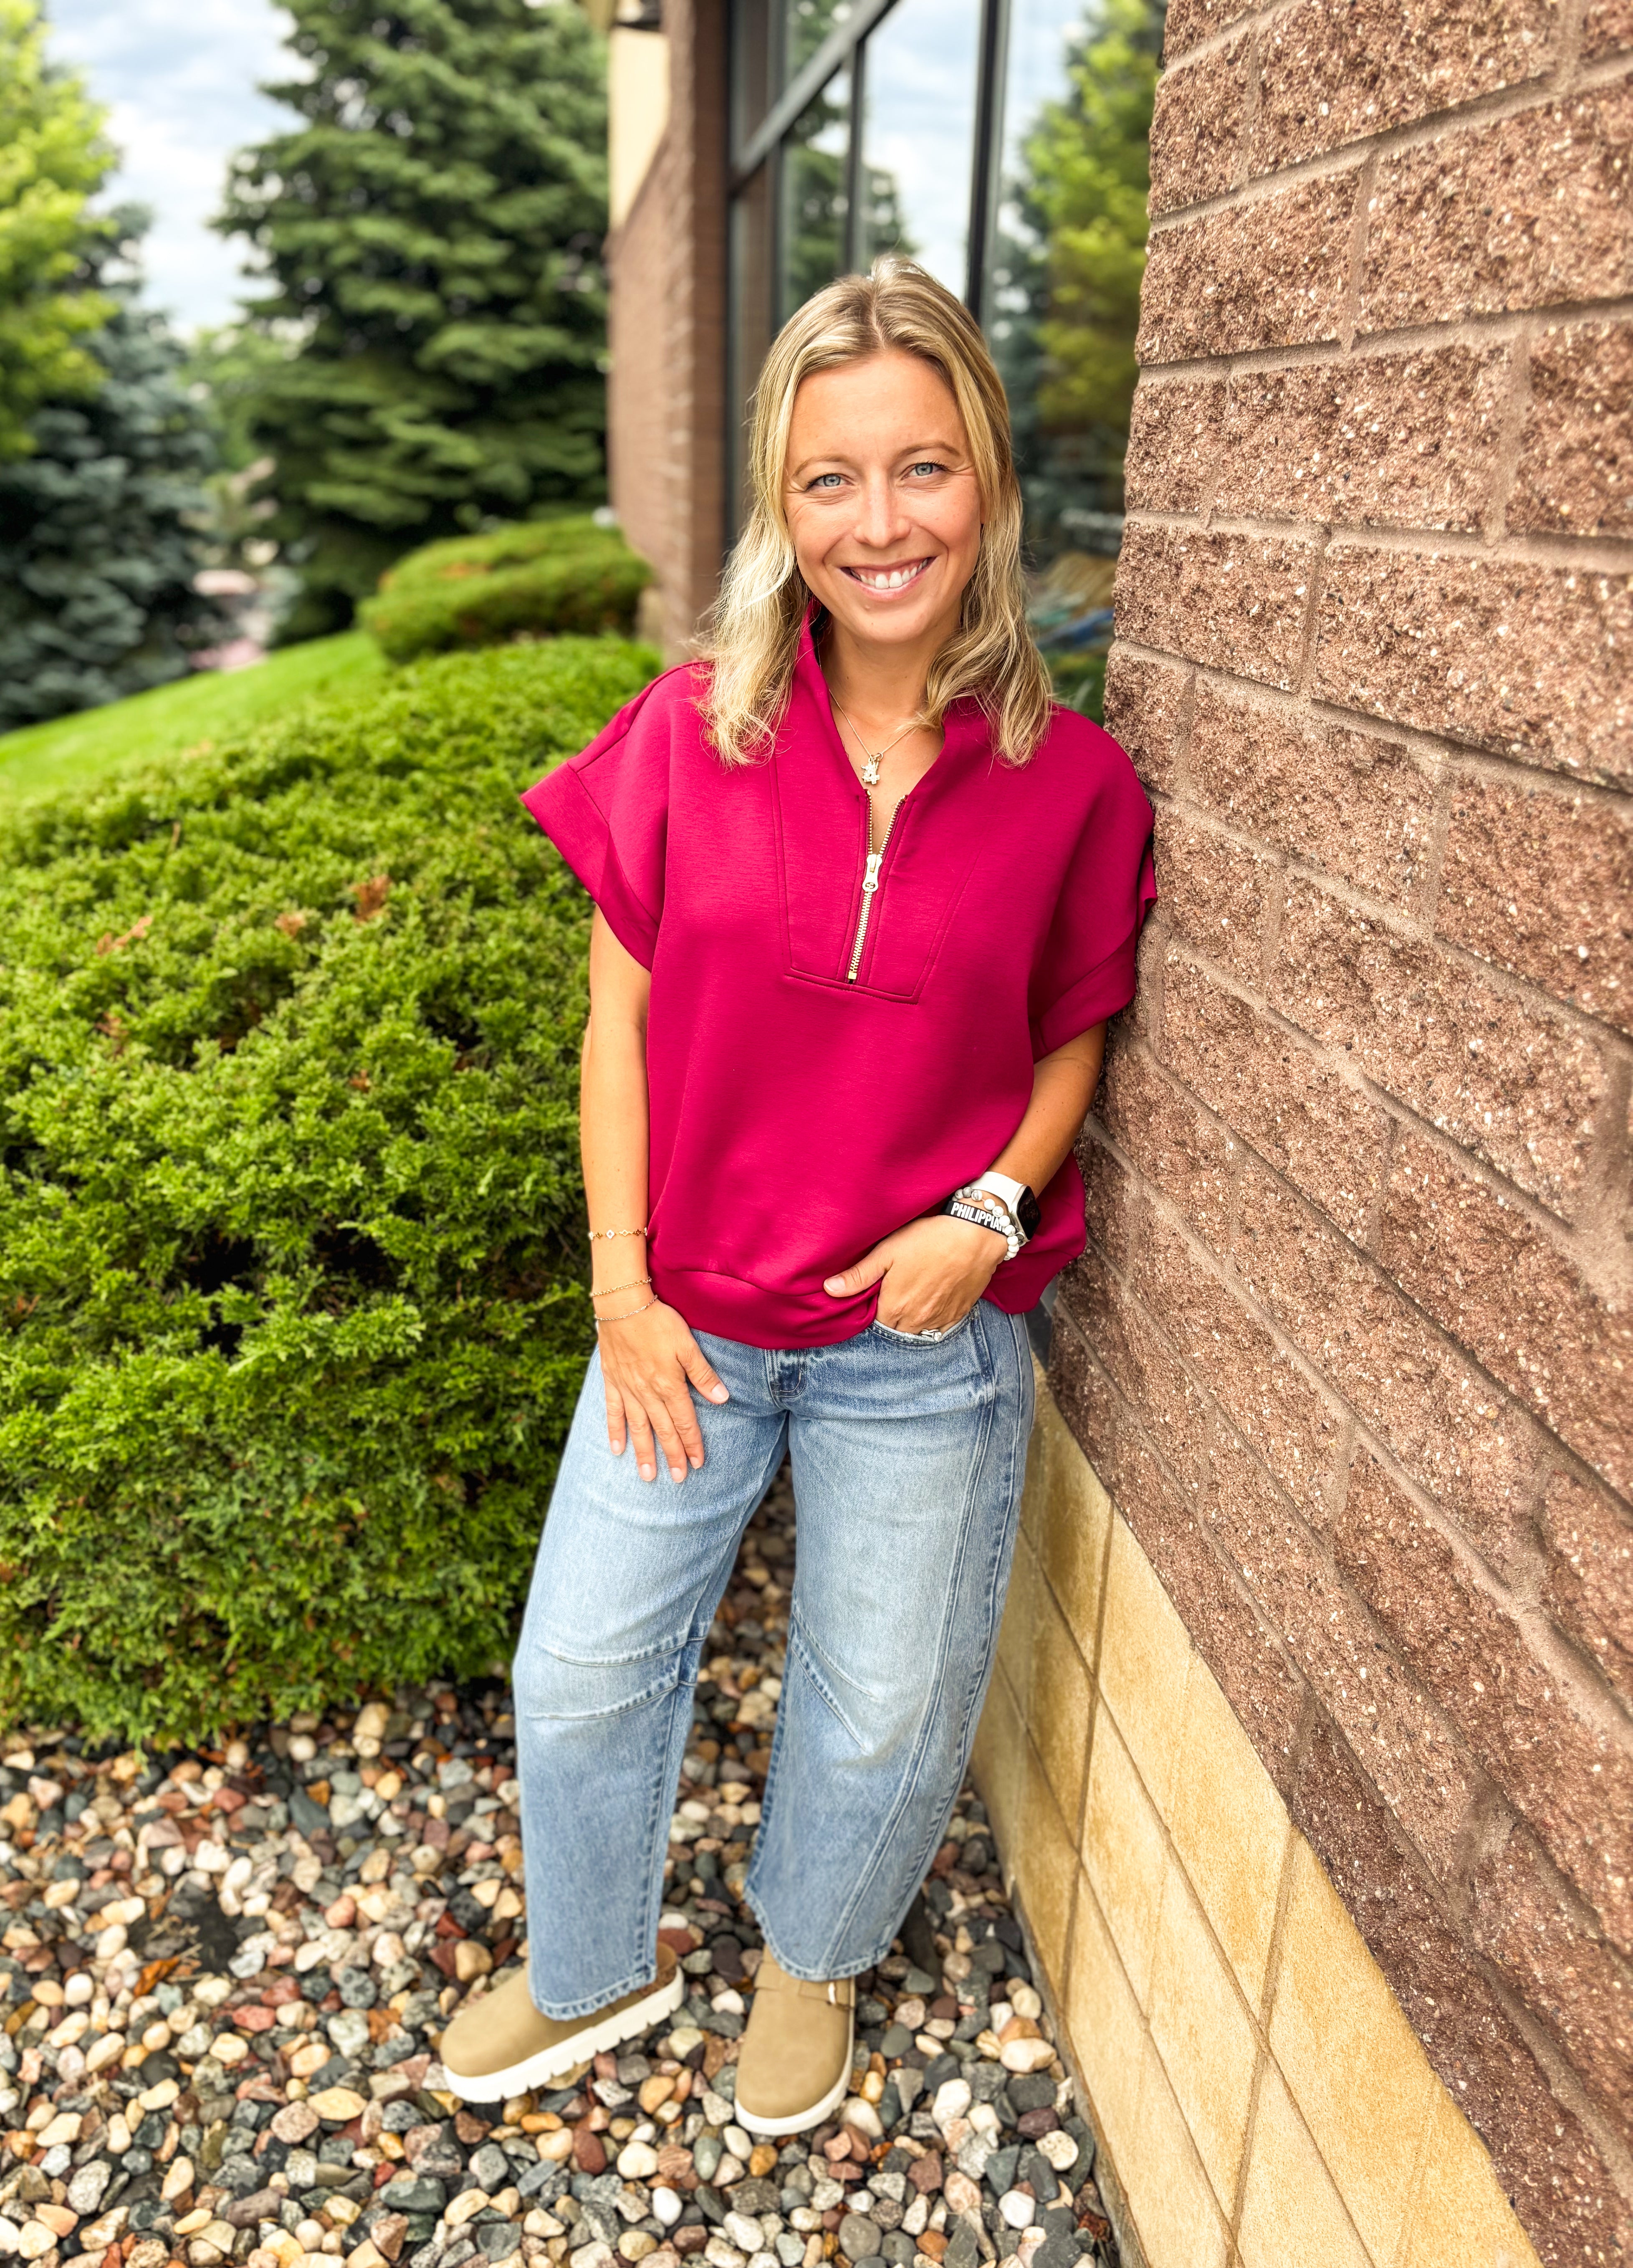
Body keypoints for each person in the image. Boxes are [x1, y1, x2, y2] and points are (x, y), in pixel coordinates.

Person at [439, 258, 1155, 2131]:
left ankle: (813, 1955)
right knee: (580, 1668)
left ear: (987, 482)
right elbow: (618, 1029)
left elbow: (1073, 1038)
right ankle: (593, 1966)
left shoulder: (1074, 785)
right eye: (831, 478)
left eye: (922, 467)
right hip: (688, 1321)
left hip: (923, 1344)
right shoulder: (691, 734)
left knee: (882, 1699)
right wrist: (621, 1293)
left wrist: (988, 1214)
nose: (879, 522)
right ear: (782, 502)